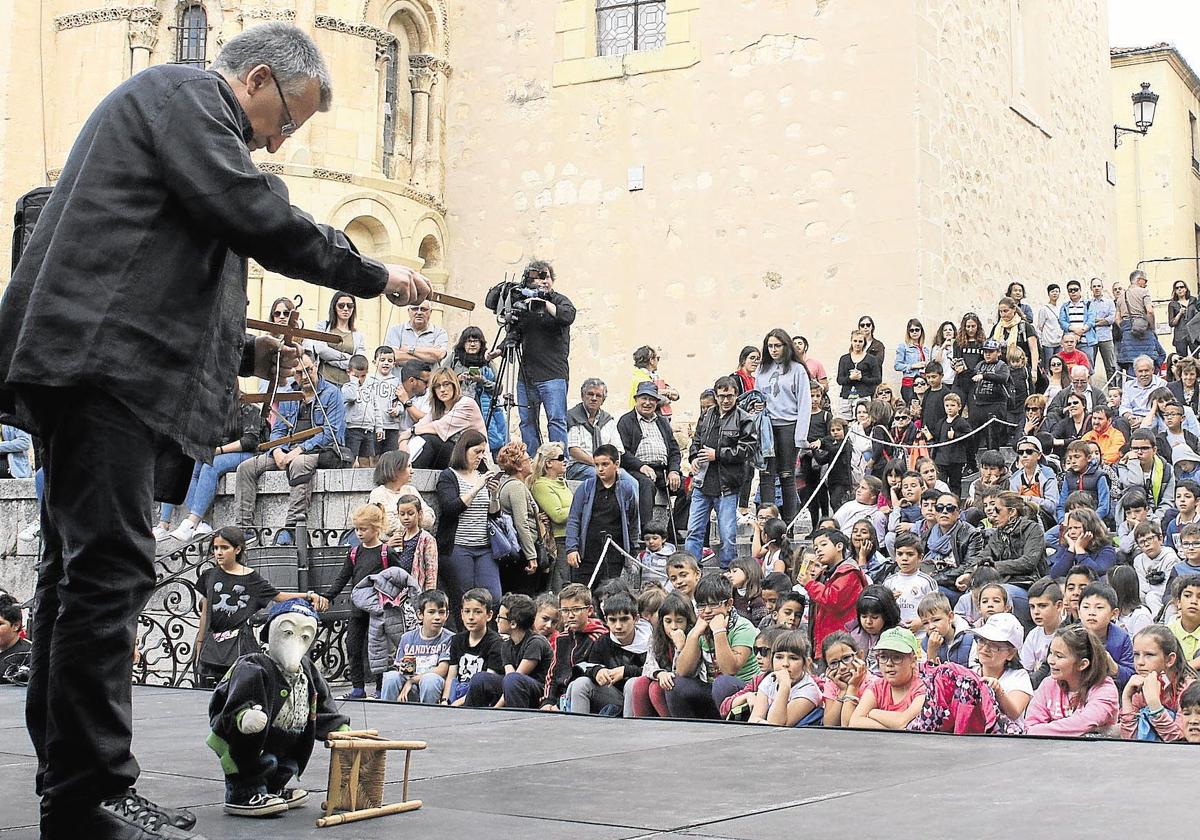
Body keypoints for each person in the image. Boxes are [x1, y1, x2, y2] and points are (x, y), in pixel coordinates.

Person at [0, 24, 435, 833]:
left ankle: (71, 782)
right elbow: (251, 211)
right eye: (286, 121)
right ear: (259, 79)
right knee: (106, 575)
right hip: (106, 373)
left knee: (78, 576)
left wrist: (254, 353)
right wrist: (370, 272)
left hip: (89, 362)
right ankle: (88, 792)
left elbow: (156, 270)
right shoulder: (189, 95)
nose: (277, 143)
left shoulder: (162, 114)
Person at [235, 351, 347, 545]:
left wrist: (300, 449)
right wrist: (277, 450)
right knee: (246, 468)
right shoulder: (289, 394)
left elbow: (331, 432)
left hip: (318, 449)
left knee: (299, 464)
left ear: (316, 366)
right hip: (287, 449)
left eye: (308, 371)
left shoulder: (332, 393)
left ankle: (292, 527)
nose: (303, 377)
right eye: (298, 373)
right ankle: (245, 529)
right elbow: (278, 429)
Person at [192, 528, 326, 689]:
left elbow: (278, 596)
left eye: (224, 548)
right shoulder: (209, 576)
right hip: (211, 647)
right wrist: (199, 642)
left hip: (239, 645)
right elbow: (205, 613)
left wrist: (308, 595)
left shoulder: (251, 578)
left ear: (237, 549)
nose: (219, 552)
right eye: (216, 548)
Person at [154, 388, 269, 542]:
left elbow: (250, 440)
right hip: (219, 453)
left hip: (249, 454)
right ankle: (201, 523)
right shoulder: (213, 412)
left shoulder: (249, 406)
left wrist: (218, 450)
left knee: (211, 465)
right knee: (189, 465)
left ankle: (192, 521)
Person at [685, 377, 757, 569]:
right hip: (703, 482)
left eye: (730, 396)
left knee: (728, 535)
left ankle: (728, 571)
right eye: (722, 396)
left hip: (727, 485)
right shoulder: (707, 415)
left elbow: (748, 449)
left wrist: (717, 455)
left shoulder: (744, 418)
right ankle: (691, 570)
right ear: (716, 396)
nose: (726, 400)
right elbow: (696, 440)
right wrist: (693, 458)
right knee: (694, 530)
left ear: (736, 396)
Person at [322, 504, 392, 700]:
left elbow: (399, 575)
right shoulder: (354, 553)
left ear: (376, 528)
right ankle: (358, 688)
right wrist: (328, 596)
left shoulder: (386, 552)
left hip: (378, 608)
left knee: (378, 649)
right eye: (357, 529)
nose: (359, 533)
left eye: (364, 529)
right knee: (353, 645)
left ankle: (380, 688)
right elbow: (342, 577)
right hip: (358, 608)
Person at [667, 574, 761, 718]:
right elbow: (682, 671)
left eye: (713, 605)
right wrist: (694, 634)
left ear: (729, 604)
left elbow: (729, 670)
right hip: (711, 689)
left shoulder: (743, 627)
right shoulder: (702, 624)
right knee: (675, 684)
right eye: (702, 606)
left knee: (722, 683)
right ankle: (687, 732)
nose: (707, 611)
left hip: (742, 690)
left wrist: (719, 631)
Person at [435, 429, 503, 619]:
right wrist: (476, 488)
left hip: (484, 547)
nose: (480, 457)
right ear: (463, 450)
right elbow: (450, 508)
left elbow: (494, 513)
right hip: (458, 546)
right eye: (476, 452)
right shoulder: (449, 476)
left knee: (493, 596)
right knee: (464, 598)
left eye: (483, 452)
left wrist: (494, 495)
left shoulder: (482, 474)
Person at [510, 260, 576, 449]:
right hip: (527, 375)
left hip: (553, 375)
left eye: (546, 276)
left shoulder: (559, 300)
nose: (543, 281)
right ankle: (532, 461)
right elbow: (515, 332)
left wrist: (544, 304)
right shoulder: (524, 303)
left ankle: (558, 463)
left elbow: (567, 316)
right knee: (526, 422)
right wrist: (498, 350)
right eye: (538, 278)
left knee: (556, 420)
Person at [565, 444, 641, 589]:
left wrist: (633, 550)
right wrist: (572, 548)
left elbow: (633, 521)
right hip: (586, 554)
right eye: (597, 465)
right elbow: (574, 519)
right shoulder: (585, 488)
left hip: (614, 555)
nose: (600, 469)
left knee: (609, 595)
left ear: (616, 464)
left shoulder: (626, 490)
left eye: (605, 464)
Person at [758, 328, 813, 524]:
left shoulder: (797, 369)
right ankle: (767, 522)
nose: (773, 350)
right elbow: (757, 397)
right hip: (767, 426)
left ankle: (788, 523)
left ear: (786, 346)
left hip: (788, 425)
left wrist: (801, 435)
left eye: (777, 346)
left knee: (787, 474)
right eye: (770, 346)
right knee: (766, 474)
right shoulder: (762, 370)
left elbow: (805, 403)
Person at [1024, 625, 1119, 736]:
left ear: (1083, 664)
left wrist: (1040, 730)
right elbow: (1030, 727)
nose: (1050, 661)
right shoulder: (1048, 684)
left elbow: (1084, 722)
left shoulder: (1105, 689)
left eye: (1059, 656)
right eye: (1051, 653)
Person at [564, 592, 650, 715]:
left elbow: (658, 671)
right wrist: (597, 671)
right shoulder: (603, 641)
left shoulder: (650, 641)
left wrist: (627, 671)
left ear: (636, 619)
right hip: (614, 696)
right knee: (580, 684)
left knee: (632, 684)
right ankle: (580, 730)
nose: (618, 626)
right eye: (613, 620)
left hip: (640, 697)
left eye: (624, 619)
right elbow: (587, 666)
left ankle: (630, 729)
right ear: (606, 620)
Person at [467, 593, 555, 709]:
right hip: (513, 685)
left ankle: (516, 722)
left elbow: (517, 676)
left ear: (513, 624)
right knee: (481, 679)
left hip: (539, 692)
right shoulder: (506, 645)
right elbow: (508, 677)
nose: (496, 620)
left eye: (500, 617)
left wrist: (495, 709)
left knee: (513, 679)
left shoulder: (535, 642)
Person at [618, 382, 682, 531]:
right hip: (637, 469)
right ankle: (646, 532)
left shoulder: (663, 422)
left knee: (688, 488)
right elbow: (622, 451)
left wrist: (674, 471)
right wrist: (640, 466)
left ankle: (674, 530)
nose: (647, 403)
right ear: (636, 399)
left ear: (657, 402)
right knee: (646, 485)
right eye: (644, 398)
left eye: (652, 399)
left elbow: (674, 450)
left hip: (663, 470)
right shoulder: (626, 421)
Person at [797, 528, 868, 659]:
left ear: (839, 546)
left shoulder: (848, 572)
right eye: (816, 547)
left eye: (823, 544)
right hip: (825, 640)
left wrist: (810, 584)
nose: (818, 549)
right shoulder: (828, 574)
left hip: (841, 642)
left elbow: (832, 600)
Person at [1120, 624, 1198, 741]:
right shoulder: (1139, 685)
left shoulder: (1189, 688)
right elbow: (1129, 739)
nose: (1140, 662)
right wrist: (1126, 698)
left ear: (1170, 659)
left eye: (1149, 655)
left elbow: (1180, 740)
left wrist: (1155, 705)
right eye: (1136, 655)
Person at [542, 583, 609, 711]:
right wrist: (547, 701)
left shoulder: (600, 637)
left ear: (589, 610)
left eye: (576, 609)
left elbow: (589, 675)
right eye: (565, 611)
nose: (570, 615)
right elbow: (552, 674)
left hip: (585, 695)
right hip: (559, 699)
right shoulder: (561, 638)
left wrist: (560, 702)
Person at [380, 589, 453, 704]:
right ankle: (387, 714)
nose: (437, 617)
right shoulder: (408, 638)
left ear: (447, 615)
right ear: (420, 615)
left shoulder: (449, 638)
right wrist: (409, 681)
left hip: (433, 686)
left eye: (441, 612)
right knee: (391, 677)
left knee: (429, 680)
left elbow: (442, 670)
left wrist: (412, 681)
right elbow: (402, 669)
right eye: (431, 612)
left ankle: (429, 716)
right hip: (410, 686)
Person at [846, 627, 926, 730]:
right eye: (883, 657)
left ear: (913, 661)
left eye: (897, 657)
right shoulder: (877, 687)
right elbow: (855, 722)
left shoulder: (922, 689)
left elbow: (902, 722)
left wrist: (872, 712)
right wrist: (892, 730)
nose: (889, 663)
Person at [411, 367, 487, 470]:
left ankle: (411, 476)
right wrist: (404, 441)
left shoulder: (466, 404)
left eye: (446, 384)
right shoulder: (438, 410)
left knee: (429, 440)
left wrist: (412, 431)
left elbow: (437, 427)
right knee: (420, 441)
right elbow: (420, 425)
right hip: (453, 458)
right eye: (438, 386)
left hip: (475, 461)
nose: (442, 390)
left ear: (454, 385)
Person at [448, 326, 508, 455]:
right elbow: (440, 381)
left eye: (476, 341)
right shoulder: (455, 359)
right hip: (458, 408)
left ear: (481, 344)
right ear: (463, 343)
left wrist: (482, 381)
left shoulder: (487, 362)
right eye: (469, 341)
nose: (473, 344)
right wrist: (458, 379)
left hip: (484, 409)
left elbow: (499, 389)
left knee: (489, 440)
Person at [494, 442, 544, 596]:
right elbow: (521, 523)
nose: (531, 462)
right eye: (528, 459)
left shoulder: (508, 484)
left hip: (516, 550)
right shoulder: (516, 486)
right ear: (519, 466)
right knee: (523, 597)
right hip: (521, 552)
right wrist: (531, 556)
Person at [442, 588, 504, 706]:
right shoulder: (457, 640)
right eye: (467, 611)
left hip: (479, 696)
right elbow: (452, 675)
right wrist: (446, 700)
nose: (471, 617)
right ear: (461, 613)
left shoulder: (496, 643)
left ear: (489, 615)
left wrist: (457, 703)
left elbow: (488, 680)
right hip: (457, 691)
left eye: (477, 612)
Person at [972, 612, 1033, 721]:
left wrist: (998, 691)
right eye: (981, 641)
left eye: (994, 645)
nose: (985, 649)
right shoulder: (971, 673)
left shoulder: (1019, 677)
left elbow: (1014, 713)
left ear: (1010, 653)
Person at [529, 442, 574, 591]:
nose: (565, 460)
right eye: (560, 457)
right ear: (548, 463)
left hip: (570, 538)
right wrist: (580, 506)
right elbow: (558, 515)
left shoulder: (562, 483)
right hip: (558, 541)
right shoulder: (541, 485)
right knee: (561, 586)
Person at [1078, 583, 1135, 691]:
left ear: (1114, 613)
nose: (1091, 613)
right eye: (1086, 607)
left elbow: (1131, 675)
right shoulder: (1070, 636)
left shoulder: (1122, 638)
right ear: (1079, 612)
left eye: (1099, 607)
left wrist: (1113, 666)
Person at [565, 378, 623, 482]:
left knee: (630, 481)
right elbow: (573, 450)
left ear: (603, 400)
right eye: (590, 394)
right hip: (577, 466)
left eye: (598, 396)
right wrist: (597, 464)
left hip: (604, 466)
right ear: (583, 396)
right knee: (599, 476)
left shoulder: (608, 420)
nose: (594, 398)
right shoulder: (573, 417)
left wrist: (612, 466)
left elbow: (616, 449)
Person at [369, 449, 435, 533]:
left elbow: (429, 517)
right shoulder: (378, 493)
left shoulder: (411, 490)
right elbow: (388, 526)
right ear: (396, 469)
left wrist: (406, 521)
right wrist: (416, 520)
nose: (412, 471)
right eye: (408, 466)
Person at [1116, 269, 1166, 373]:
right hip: (1145, 332)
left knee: (1132, 366)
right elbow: (1150, 311)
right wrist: (1151, 327)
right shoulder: (1144, 292)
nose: (1146, 284)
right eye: (1145, 281)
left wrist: (1126, 327)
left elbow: (1117, 318)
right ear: (1139, 280)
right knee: (1150, 362)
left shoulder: (1121, 297)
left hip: (1127, 335)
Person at [313, 292, 365, 386]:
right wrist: (347, 358)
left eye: (349, 306)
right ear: (334, 307)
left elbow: (358, 362)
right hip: (325, 382)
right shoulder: (323, 326)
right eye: (341, 305)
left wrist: (329, 360)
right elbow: (321, 350)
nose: (345, 309)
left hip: (347, 385)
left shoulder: (358, 336)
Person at [1021, 578, 1064, 679]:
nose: (1036, 612)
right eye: (1032, 607)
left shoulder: (1069, 632)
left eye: (1042, 606)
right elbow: (1025, 670)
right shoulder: (1033, 635)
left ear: (1058, 606)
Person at [385, 299, 448, 367]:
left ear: (430, 312)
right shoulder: (396, 330)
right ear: (409, 311)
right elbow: (394, 356)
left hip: (429, 377)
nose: (419, 312)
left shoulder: (440, 332)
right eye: (415, 309)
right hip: (400, 377)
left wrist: (409, 349)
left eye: (424, 309)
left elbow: (439, 355)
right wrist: (428, 357)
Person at [836, 330, 882, 420]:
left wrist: (862, 378)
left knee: (862, 422)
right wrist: (850, 378)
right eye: (855, 341)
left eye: (860, 341)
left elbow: (877, 379)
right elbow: (839, 380)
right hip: (846, 397)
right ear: (851, 341)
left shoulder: (871, 359)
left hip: (863, 396)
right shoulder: (844, 359)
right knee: (843, 422)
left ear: (864, 342)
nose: (857, 344)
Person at [629, 345, 681, 417]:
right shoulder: (643, 379)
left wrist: (666, 392)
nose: (658, 361)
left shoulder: (650, 376)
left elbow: (676, 395)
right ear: (651, 361)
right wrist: (668, 393)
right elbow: (661, 400)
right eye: (658, 358)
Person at [1087, 277, 1119, 386]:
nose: (1096, 288)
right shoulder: (1087, 303)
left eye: (1098, 286)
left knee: (1110, 366)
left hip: (1106, 338)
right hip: (1091, 338)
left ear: (1102, 288)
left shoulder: (1109, 302)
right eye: (1094, 286)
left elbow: (1112, 319)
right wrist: (1103, 320)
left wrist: (1095, 322)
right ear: (1091, 288)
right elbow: (1087, 320)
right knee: (1090, 367)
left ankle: (1113, 390)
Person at [1058, 280, 1097, 366]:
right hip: (1070, 342)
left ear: (1080, 290)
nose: (1073, 292)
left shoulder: (1088, 304)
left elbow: (1091, 321)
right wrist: (1075, 331)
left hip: (1086, 342)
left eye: (1075, 289)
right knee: (1069, 367)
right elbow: (1062, 322)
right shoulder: (1065, 306)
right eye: (1070, 290)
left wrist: (1080, 333)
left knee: (1088, 367)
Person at [894, 318, 929, 404]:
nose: (914, 332)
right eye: (912, 330)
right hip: (910, 383)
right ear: (908, 332)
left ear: (921, 331)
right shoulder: (903, 347)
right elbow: (897, 366)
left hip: (923, 383)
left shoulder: (925, 349)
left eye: (917, 330)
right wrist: (913, 366)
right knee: (912, 408)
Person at [1035, 284, 1064, 369]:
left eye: (1057, 291)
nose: (1055, 293)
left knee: (1059, 365)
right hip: (1048, 343)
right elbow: (1040, 327)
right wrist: (1040, 342)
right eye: (1052, 291)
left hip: (1059, 342)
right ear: (1048, 294)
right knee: (1048, 366)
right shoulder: (1044, 309)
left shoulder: (1061, 308)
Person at [1169, 280, 1195, 357]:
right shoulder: (1172, 304)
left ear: (1186, 289)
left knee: (1196, 358)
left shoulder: (1193, 300)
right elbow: (1171, 323)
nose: (1179, 289)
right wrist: (1179, 314)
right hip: (1180, 336)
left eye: (1181, 287)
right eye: (1177, 288)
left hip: (1193, 334)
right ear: (1175, 291)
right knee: (1182, 360)